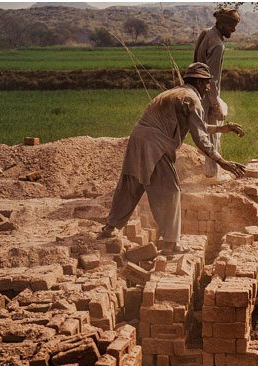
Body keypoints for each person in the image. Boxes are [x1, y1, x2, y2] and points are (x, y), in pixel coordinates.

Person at [100, 64, 247, 252]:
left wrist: (222, 128)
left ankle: (110, 228)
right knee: (170, 191)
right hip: (155, 144)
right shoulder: (192, 98)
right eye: (207, 83)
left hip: (138, 138)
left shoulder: (176, 93)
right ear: (199, 82)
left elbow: (197, 126)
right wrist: (222, 162)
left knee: (131, 184)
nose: (209, 88)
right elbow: (200, 138)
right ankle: (171, 244)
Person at [191, 6, 241, 181]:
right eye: (231, 26)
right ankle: (212, 176)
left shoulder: (206, 33)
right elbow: (212, 79)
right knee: (213, 133)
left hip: (195, 88)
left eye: (235, 25)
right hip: (206, 93)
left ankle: (211, 172)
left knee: (207, 130)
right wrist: (215, 103)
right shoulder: (218, 45)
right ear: (220, 23)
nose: (233, 30)